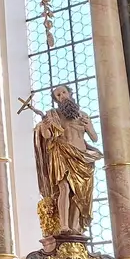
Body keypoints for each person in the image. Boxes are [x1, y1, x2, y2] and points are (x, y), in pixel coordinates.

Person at [32, 85, 103, 235]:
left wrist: (89, 126)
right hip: (62, 154)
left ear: (70, 93)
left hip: (82, 158)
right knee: (64, 188)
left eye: (64, 92)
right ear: (56, 100)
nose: (62, 96)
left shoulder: (83, 115)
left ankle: (75, 226)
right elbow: (47, 136)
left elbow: (94, 138)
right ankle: (64, 225)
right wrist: (45, 126)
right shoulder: (53, 115)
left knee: (79, 192)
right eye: (58, 95)